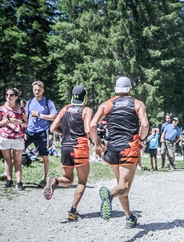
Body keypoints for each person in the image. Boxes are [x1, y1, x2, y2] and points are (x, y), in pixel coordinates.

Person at [90, 76, 149, 228]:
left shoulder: (106, 104)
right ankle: (109, 196)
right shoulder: (137, 103)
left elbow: (92, 125)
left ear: (115, 89)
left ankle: (129, 217)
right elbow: (145, 124)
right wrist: (141, 139)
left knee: (121, 184)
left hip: (112, 148)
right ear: (130, 89)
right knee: (125, 186)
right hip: (128, 148)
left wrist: (97, 144)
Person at [43, 86, 93, 221]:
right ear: (85, 97)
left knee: (68, 179)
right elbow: (88, 130)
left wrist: (65, 133)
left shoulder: (65, 109)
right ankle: (73, 211)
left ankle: (55, 181)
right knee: (82, 181)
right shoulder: (87, 110)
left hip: (65, 147)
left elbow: (53, 128)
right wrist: (97, 141)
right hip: (79, 148)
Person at [25, 81, 58, 187]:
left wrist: (41, 115)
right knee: (16, 152)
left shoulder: (48, 102)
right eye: (35, 90)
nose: (37, 92)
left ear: (43, 90)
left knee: (44, 156)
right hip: (29, 131)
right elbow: (25, 117)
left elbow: (54, 116)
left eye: (39, 90)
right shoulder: (29, 102)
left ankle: (43, 178)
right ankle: (11, 176)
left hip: (42, 132)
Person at [0, 88, 28, 189]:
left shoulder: (21, 110)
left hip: (18, 137)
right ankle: (9, 180)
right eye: (7, 94)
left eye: (11, 95)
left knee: (18, 161)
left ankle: (19, 182)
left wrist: (19, 122)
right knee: (7, 160)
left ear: (16, 97)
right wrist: (5, 121)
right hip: (5, 136)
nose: (8, 97)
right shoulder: (1, 109)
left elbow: (26, 124)